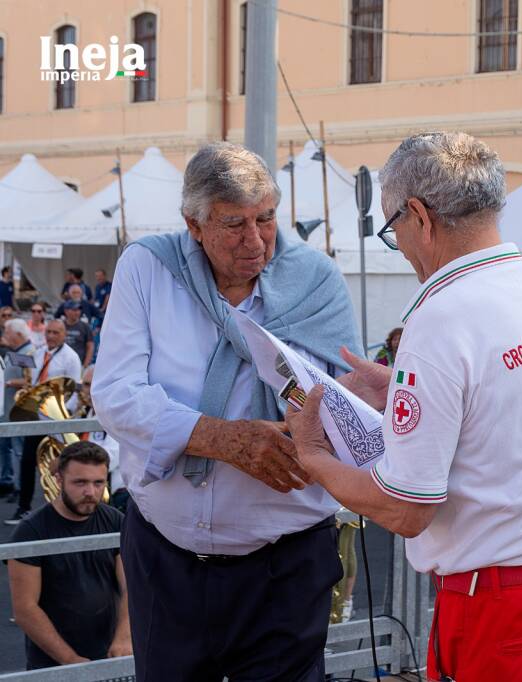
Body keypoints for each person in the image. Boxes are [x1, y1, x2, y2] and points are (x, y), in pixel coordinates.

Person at [286, 132, 522, 682]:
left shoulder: (441, 316)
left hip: (508, 604)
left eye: (393, 232)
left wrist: (313, 455)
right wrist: (404, 390)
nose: (403, 247)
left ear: (418, 215)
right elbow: (509, 403)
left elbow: (407, 510)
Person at [92, 141, 361, 681]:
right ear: (193, 225)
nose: (256, 240)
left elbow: (341, 398)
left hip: (286, 564)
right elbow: (116, 392)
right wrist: (219, 437)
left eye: (266, 218)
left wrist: (341, 408)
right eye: (234, 224)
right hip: (166, 560)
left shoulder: (316, 279)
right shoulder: (148, 268)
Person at [7, 441, 131, 669]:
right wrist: (70, 660)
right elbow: (25, 608)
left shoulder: (115, 520)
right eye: (80, 482)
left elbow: (131, 586)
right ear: (59, 480)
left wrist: (124, 637)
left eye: (98, 483)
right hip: (52, 663)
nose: (90, 492)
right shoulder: (30, 530)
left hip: (111, 655)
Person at [6, 319, 82, 525]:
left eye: (56, 332)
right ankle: (24, 508)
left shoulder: (71, 357)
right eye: (48, 332)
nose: (50, 336)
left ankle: (64, 509)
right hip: (37, 416)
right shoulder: (38, 353)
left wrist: (63, 415)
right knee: (28, 461)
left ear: (64, 334)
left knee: (60, 465)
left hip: (57, 418)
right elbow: (34, 382)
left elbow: (76, 391)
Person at [67, 366, 127, 513]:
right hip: (91, 486)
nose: (86, 390)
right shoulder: (86, 411)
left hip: (114, 494)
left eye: (91, 385)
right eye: (85, 385)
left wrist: (66, 461)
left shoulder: (116, 415)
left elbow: (109, 459)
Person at [0, 318, 33, 498]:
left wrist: (10, 383)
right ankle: (6, 481)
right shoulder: (13, 352)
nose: (5, 335)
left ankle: (20, 487)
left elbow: (30, 381)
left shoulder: (27, 353)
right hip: (6, 410)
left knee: (18, 450)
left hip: (18, 412)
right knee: (4, 447)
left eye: (7, 332)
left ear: (18, 335)